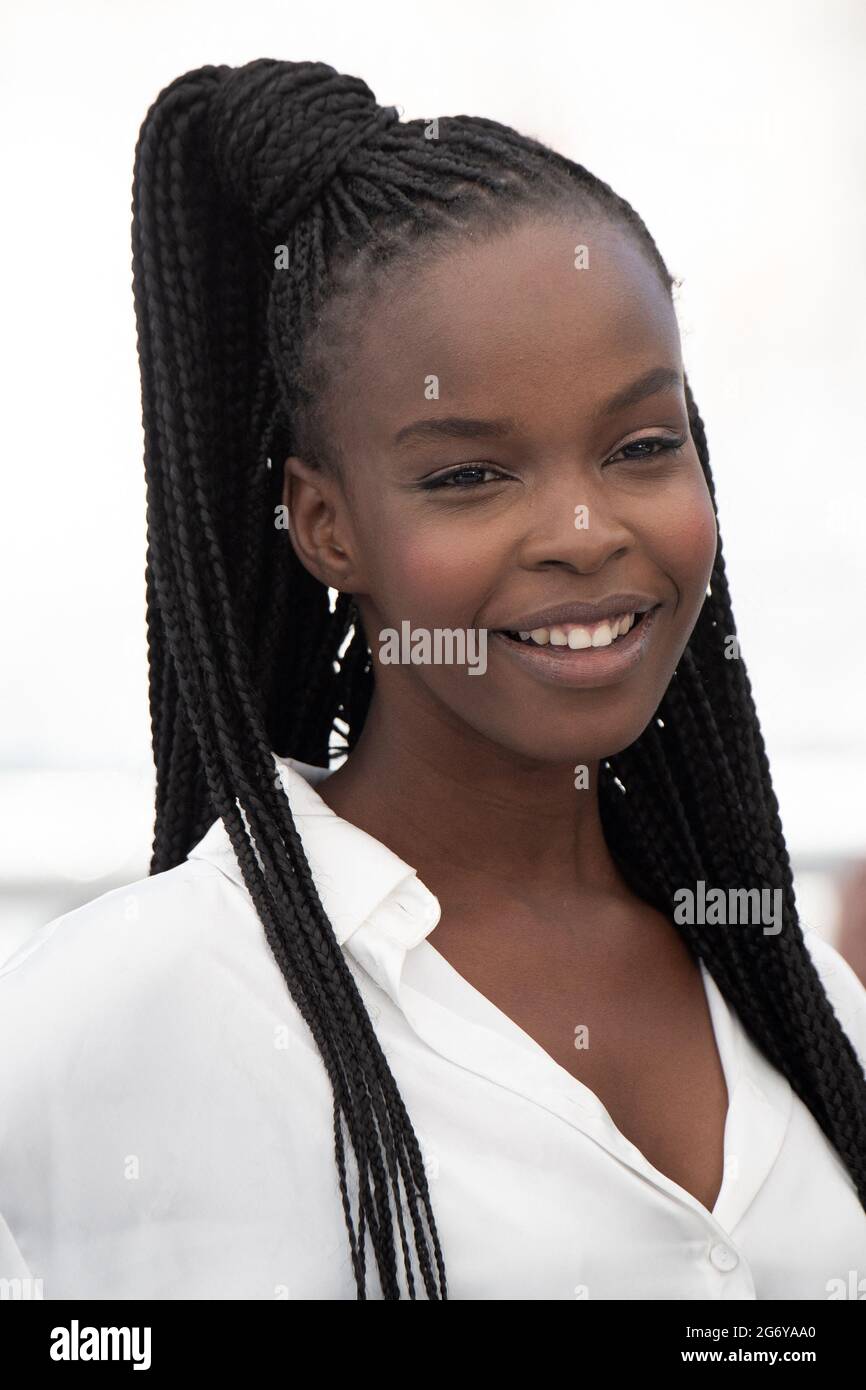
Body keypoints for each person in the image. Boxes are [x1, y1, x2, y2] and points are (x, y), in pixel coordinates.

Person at [1, 57, 864, 1302]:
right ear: (324, 525)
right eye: (467, 475)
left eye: (638, 446)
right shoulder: (117, 1023)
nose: (581, 527)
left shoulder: (794, 991)